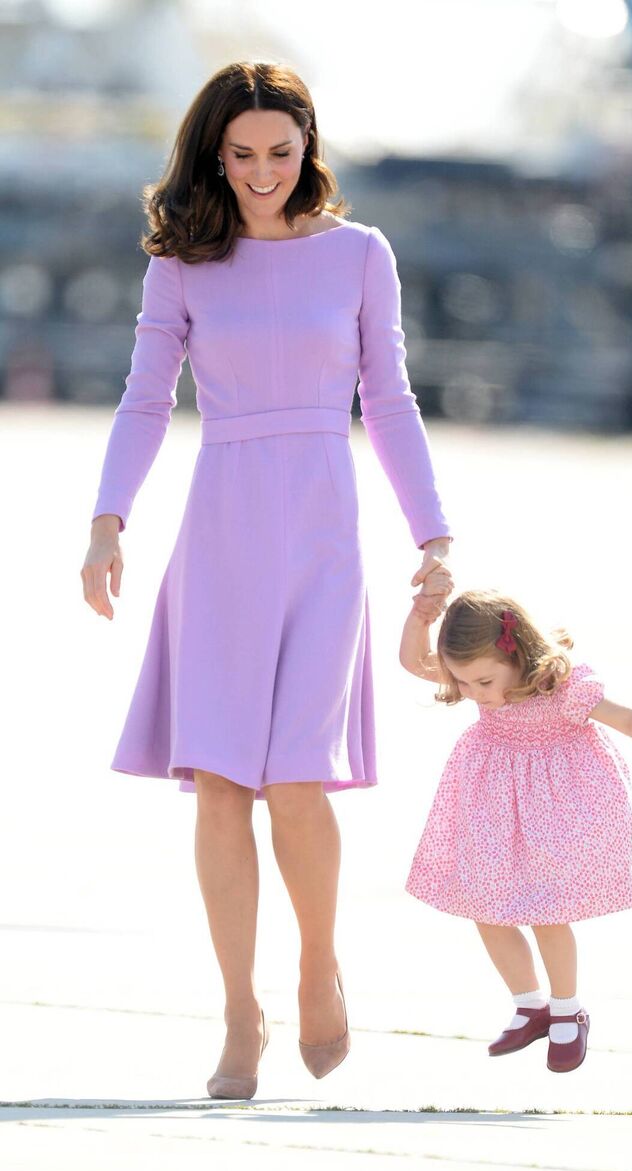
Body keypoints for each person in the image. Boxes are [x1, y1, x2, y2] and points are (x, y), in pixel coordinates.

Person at [80, 61, 453, 1098]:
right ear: (214, 156)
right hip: (223, 533)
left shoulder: (360, 255)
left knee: (297, 774)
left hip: (325, 533)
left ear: (308, 147)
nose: (258, 174)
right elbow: (145, 400)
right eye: (239, 156)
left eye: (278, 154)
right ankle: (240, 1013)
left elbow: (391, 401)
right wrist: (108, 522)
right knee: (219, 785)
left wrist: (433, 536)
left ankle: (317, 965)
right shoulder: (184, 264)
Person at [399, 583, 632, 1072]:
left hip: (558, 811)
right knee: (485, 905)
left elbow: (623, 717)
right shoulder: (475, 676)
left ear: (518, 654)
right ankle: (529, 1003)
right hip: (491, 804)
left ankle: (567, 1009)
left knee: (547, 910)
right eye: (464, 684)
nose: (474, 695)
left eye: (484, 683)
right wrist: (420, 615)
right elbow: (413, 660)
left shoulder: (561, 687)